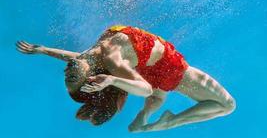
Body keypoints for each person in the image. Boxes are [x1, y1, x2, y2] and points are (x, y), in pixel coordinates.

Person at [16, 25, 236, 132]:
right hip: (170, 70)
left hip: (148, 67)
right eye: (73, 76)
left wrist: (44, 50)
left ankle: (144, 116)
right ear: (90, 77)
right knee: (227, 105)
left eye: (67, 74)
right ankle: (169, 122)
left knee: (157, 97)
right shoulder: (111, 61)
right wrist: (111, 81)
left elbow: (72, 58)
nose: (68, 70)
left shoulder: (92, 58)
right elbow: (145, 89)